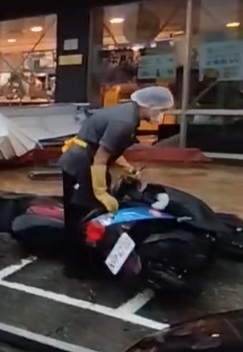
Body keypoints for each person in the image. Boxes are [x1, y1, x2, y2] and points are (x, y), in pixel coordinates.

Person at [56, 86, 175, 273]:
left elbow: (111, 150)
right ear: (148, 105)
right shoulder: (125, 121)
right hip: (80, 163)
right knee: (80, 214)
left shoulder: (129, 114)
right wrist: (101, 191)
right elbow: (101, 156)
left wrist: (127, 169)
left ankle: (88, 257)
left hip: (88, 160)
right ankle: (75, 268)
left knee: (88, 211)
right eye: (160, 110)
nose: (161, 115)